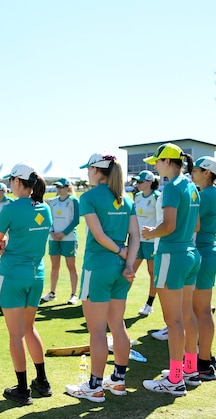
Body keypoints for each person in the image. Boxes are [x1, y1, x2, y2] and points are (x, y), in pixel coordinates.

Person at [65, 154, 139, 402]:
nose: (87, 173)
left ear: (97, 170)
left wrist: (120, 252)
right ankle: (117, 380)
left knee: (97, 331)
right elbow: (136, 237)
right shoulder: (126, 199)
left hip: (97, 268)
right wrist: (128, 263)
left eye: (89, 169)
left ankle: (95, 386)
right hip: (120, 270)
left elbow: (97, 235)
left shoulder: (88, 197)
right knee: (118, 326)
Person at [141, 143, 200, 397]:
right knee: (186, 316)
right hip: (189, 254)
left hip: (172, 256)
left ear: (167, 162)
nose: (154, 165)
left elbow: (169, 226)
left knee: (173, 321)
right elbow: (195, 225)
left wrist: (151, 232)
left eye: (157, 161)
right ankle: (190, 370)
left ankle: (175, 379)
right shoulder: (190, 186)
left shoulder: (173, 187)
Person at [0, 163, 52, 405]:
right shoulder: (45, 208)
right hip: (36, 275)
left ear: (18, 182)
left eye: (11, 180)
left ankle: (22, 388)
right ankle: (42, 381)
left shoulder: (10, 209)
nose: (9, 184)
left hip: (13, 275)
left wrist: (2, 241)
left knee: (16, 334)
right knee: (29, 328)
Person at [190, 156, 216, 383]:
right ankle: (206, 357)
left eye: (195, 169)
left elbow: (189, 221)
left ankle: (203, 364)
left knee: (201, 311)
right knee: (200, 310)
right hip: (206, 251)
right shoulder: (210, 192)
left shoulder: (206, 195)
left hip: (203, 253)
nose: (192, 172)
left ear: (206, 173)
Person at [41, 177, 80, 305]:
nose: (59, 189)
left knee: (71, 266)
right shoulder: (52, 202)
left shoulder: (73, 201)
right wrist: (51, 232)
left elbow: (76, 220)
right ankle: (52, 292)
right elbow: (49, 218)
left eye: (61, 186)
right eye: (57, 187)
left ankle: (74, 294)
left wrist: (63, 233)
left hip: (68, 239)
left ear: (67, 187)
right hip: (53, 238)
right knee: (54, 266)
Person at [131, 170, 161, 316]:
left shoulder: (157, 197)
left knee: (152, 273)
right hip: (137, 241)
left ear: (150, 182)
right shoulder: (136, 197)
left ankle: (149, 304)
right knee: (129, 270)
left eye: (141, 181)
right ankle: (118, 301)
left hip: (152, 241)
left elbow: (163, 218)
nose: (138, 184)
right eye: (137, 181)